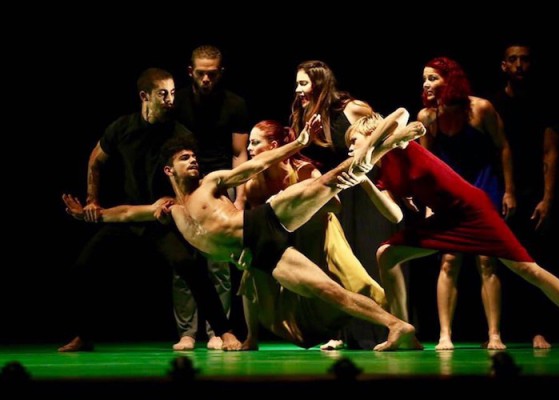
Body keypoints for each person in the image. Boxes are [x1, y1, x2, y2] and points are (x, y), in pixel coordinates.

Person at [66, 112, 426, 351]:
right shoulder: (168, 209)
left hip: (264, 221)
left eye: (194, 156)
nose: (193, 161)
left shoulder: (211, 182)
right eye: (184, 158)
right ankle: (397, 326)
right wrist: (89, 214)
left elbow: (257, 162)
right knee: (330, 292)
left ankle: (376, 150)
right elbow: (126, 212)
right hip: (259, 255)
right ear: (168, 170)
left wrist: (297, 144)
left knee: (335, 179)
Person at [349, 111, 559, 352]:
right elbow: (395, 215)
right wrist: (364, 180)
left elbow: (401, 113)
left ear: (370, 134)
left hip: (471, 210)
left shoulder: (398, 144)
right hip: (445, 219)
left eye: (353, 141)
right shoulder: (383, 172)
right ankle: (403, 332)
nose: (349, 148)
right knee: (387, 253)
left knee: (527, 268)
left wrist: (371, 148)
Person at [59, 67, 242, 352]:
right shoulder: (122, 128)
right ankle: (83, 335)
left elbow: (189, 179)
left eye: (172, 92)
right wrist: (92, 199)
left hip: (164, 219)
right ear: (145, 96)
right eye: (163, 94)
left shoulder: (177, 134)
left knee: (190, 266)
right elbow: (96, 159)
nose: (170, 98)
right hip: (130, 214)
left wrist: (177, 202)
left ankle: (225, 331)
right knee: (82, 267)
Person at [239, 119, 388, 350]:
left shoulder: (305, 171)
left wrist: (291, 201)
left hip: (317, 230)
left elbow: (335, 205)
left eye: (255, 142)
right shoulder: (254, 184)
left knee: (343, 282)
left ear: (273, 146)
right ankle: (251, 337)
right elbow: (249, 223)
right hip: (282, 237)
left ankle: (375, 329)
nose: (249, 149)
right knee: (251, 271)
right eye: (249, 142)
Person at [290, 60, 398, 349]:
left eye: (303, 83)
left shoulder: (349, 108)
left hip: (360, 193)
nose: (298, 89)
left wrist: (371, 161)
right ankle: (343, 333)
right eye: (297, 83)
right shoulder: (305, 114)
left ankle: (380, 330)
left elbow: (385, 128)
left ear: (320, 83)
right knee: (337, 267)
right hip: (330, 198)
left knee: (364, 260)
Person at [416, 56, 515, 350]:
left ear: (451, 80)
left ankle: (494, 334)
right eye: (424, 79)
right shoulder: (427, 116)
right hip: (451, 193)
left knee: (487, 260)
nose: (426, 84)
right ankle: (445, 334)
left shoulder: (480, 108)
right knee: (449, 259)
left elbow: (504, 147)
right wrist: (429, 202)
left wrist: (509, 190)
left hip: (484, 187)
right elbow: (427, 165)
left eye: (433, 78)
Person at [172, 45, 250, 350]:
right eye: (201, 73)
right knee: (184, 263)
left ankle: (217, 330)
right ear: (191, 71)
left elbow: (239, 153)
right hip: (184, 187)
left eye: (212, 73)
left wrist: (240, 198)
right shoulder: (176, 101)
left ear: (221, 73)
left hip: (219, 187)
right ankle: (186, 333)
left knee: (218, 262)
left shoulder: (235, 104)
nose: (206, 79)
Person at [492, 42, 559, 349]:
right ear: (504, 66)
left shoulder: (544, 102)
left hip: (532, 189)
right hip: (498, 188)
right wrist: (505, 190)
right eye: (513, 60)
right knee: (495, 262)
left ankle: (537, 328)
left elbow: (551, 151)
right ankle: (497, 331)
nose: (519, 65)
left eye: (525, 59)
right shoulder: (492, 104)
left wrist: (547, 198)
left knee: (535, 260)